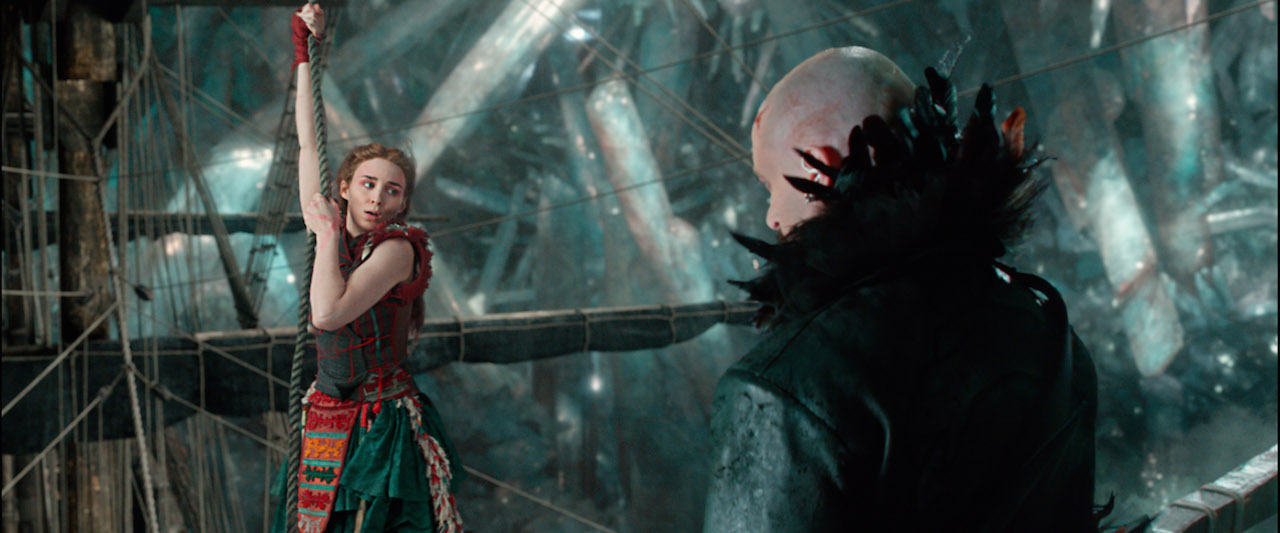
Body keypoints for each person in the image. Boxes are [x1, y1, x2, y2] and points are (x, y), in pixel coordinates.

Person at [703, 47, 1100, 532]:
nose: (770, 217)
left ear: (817, 171)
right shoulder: (1046, 329)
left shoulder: (782, 390)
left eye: (770, 185)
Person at [273, 4, 464, 532]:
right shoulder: (333, 223)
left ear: (403, 204)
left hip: (379, 423)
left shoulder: (398, 250)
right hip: (325, 416)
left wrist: (326, 233)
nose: (378, 198)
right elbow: (308, 142)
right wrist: (304, 50)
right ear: (346, 188)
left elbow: (328, 315)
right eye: (368, 184)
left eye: (392, 190)